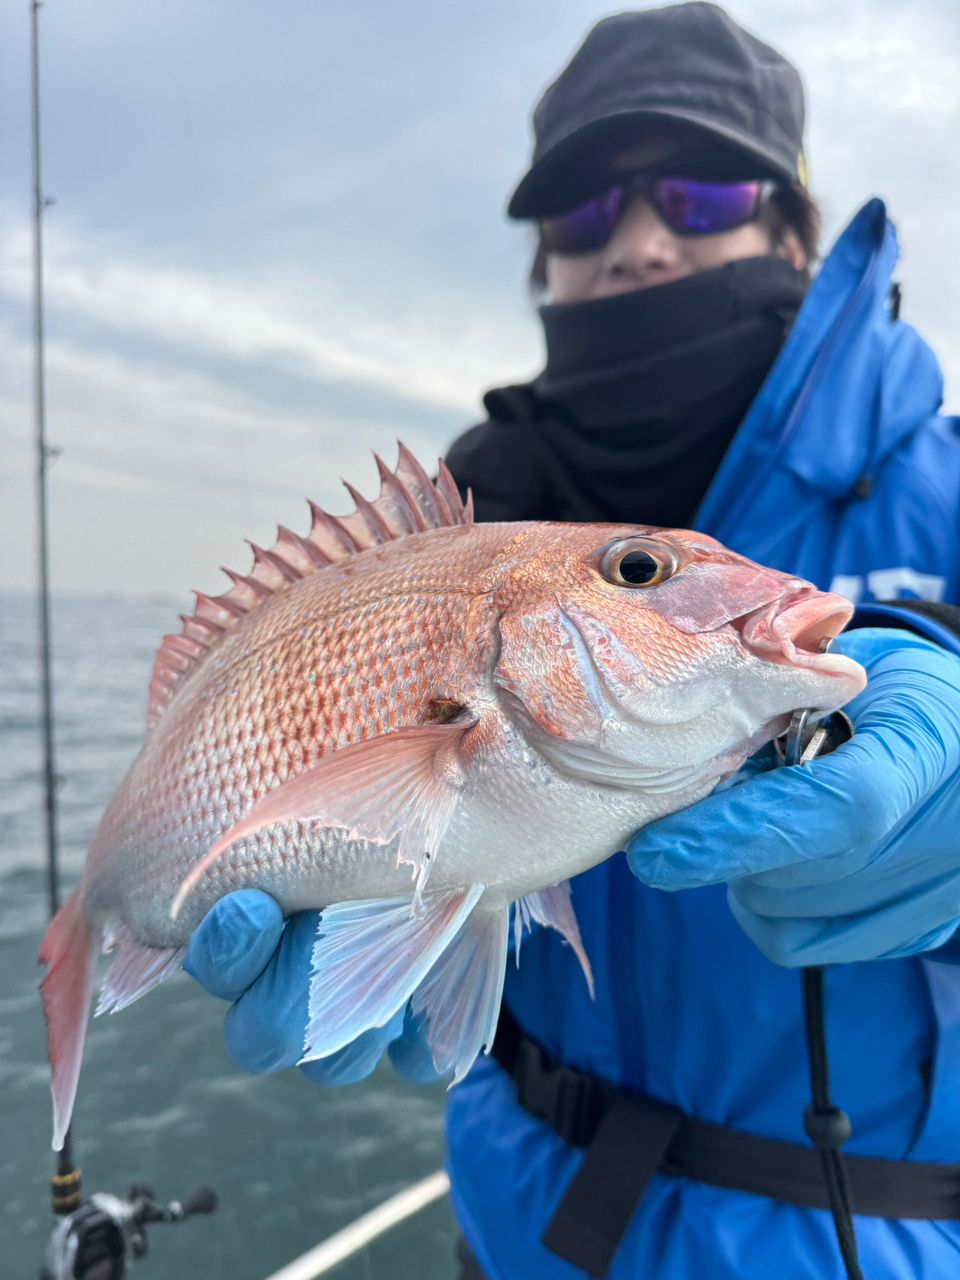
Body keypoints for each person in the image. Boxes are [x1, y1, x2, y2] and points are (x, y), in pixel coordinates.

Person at [185, 5, 960, 1276]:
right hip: (526, 1221)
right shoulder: (464, 520)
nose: (642, 240)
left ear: (793, 227)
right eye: (587, 211)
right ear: (546, 259)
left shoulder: (946, 480)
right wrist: (374, 933)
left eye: (701, 190)